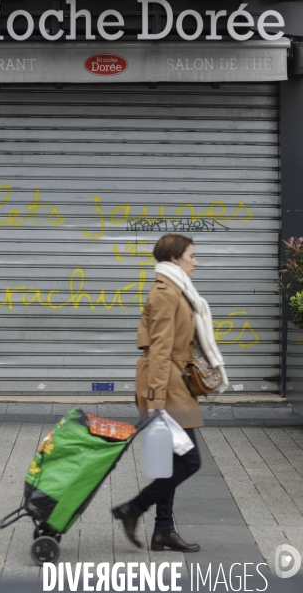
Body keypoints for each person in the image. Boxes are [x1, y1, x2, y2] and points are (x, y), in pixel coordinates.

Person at [112, 233, 228, 552]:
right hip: (165, 383)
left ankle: (163, 530)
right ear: (175, 259)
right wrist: (154, 401)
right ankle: (132, 509)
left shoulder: (178, 291)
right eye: (192, 255)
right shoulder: (166, 293)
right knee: (189, 461)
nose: (197, 261)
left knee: (171, 461)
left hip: (175, 381)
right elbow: (160, 349)